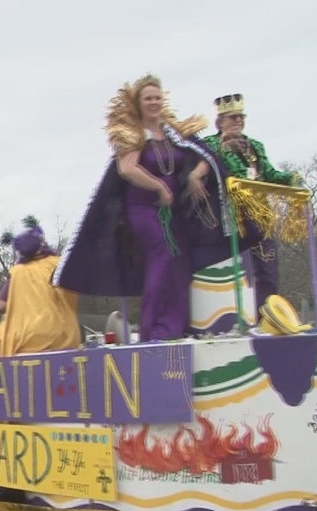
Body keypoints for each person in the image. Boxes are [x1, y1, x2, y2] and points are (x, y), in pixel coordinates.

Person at [53, 74, 260, 342]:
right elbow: (127, 168)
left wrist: (196, 174)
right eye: (148, 98)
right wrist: (159, 187)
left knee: (180, 261)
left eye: (157, 98)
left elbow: (206, 155)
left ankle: (174, 326)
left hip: (175, 211)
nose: (154, 102)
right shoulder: (132, 132)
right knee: (162, 255)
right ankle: (154, 329)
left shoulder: (173, 131)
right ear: (138, 103)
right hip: (143, 209)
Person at [202, 93, 301, 313]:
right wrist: (223, 145)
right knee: (235, 273)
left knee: (267, 270)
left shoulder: (255, 146)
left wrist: (293, 179)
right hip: (229, 218)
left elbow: (269, 173)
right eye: (232, 117)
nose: (238, 121)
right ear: (220, 122)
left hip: (260, 216)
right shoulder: (210, 144)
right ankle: (236, 318)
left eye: (241, 117)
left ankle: (267, 316)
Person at [0, 218, 82, 357]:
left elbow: (1, 304)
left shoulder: (18, 272)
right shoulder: (59, 264)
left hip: (26, 341)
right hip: (65, 338)